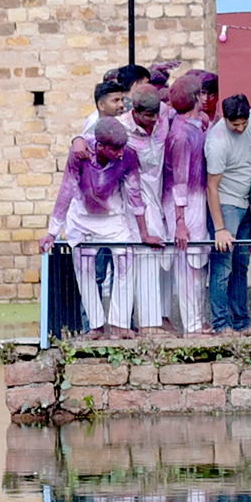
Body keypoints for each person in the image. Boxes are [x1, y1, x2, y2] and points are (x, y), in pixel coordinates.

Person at [39, 118, 161, 339]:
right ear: (101, 145)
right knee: (84, 271)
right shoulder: (80, 152)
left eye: (122, 148)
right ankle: (95, 327)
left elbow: (135, 195)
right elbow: (66, 190)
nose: (121, 153)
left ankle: (120, 325)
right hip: (82, 218)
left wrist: (144, 233)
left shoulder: (128, 156)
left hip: (113, 216)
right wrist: (52, 232)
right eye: (115, 149)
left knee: (126, 259)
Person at [117, 84, 175, 336]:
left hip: (159, 194)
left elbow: (176, 112)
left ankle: (162, 318)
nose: (153, 121)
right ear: (136, 112)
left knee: (166, 258)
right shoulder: (122, 128)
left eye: (156, 115)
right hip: (133, 200)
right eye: (148, 116)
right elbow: (90, 138)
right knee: (147, 257)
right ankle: (149, 325)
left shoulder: (163, 114)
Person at [205, 93, 251, 335]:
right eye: (234, 124)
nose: (240, 128)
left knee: (241, 265)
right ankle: (221, 324)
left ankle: (241, 322)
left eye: (243, 123)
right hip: (226, 205)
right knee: (222, 266)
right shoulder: (217, 141)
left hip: (246, 202)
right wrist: (220, 228)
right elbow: (211, 187)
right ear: (224, 118)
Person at [164, 75, 211, 335]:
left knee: (198, 261)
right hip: (183, 203)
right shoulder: (180, 134)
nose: (206, 98)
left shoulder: (192, 125)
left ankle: (198, 320)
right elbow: (179, 180)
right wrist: (180, 221)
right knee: (188, 264)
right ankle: (192, 325)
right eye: (202, 94)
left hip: (197, 199)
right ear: (195, 98)